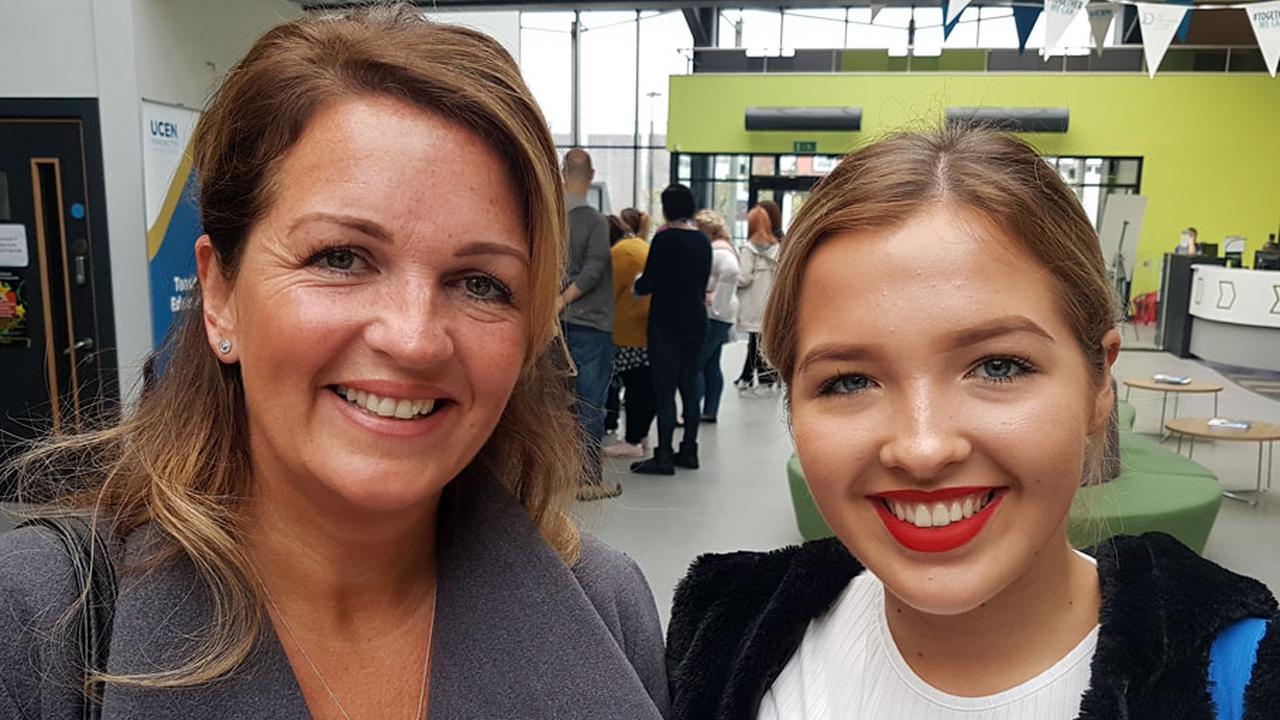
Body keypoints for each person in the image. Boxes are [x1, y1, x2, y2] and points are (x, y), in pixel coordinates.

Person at [0, 9, 669, 720]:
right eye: (340, 258)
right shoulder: (44, 624)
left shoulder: (606, 609)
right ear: (221, 294)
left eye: (481, 283)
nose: (414, 340)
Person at [667, 128, 1280, 719]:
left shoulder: (1244, 680)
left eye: (999, 366)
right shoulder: (722, 636)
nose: (924, 448)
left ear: (1100, 383)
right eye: (849, 380)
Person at [631, 185, 712, 475]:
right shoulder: (703, 241)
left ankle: (663, 454)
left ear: (667, 209)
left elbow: (648, 282)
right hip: (696, 322)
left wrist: (636, 285)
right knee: (690, 388)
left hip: (666, 323)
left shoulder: (664, 240)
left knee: (664, 391)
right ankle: (689, 450)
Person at [558, 148, 616, 498]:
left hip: (555, 328)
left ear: (564, 174)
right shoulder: (594, 221)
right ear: (590, 175)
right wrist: (562, 300)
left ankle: (558, 470)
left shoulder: (551, 220)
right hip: (590, 325)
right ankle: (589, 478)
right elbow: (593, 270)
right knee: (591, 403)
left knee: (559, 403)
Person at [604, 213, 657, 460]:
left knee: (633, 387)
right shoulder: (639, 245)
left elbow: (606, 292)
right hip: (646, 327)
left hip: (627, 332)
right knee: (644, 386)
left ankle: (632, 439)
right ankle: (641, 435)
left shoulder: (620, 254)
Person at [692, 209, 740, 424]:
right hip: (722, 315)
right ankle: (710, 410)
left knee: (697, 364)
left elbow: (730, 272)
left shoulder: (718, 251)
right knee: (711, 364)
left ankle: (692, 410)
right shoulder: (727, 247)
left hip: (714, 315)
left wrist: (716, 299)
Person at [735, 204, 781, 394]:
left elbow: (743, 278)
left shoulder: (748, 249)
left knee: (755, 341)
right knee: (761, 341)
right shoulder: (777, 248)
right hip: (769, 303)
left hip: (752, 304)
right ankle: (756, 377)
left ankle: (764, 377)